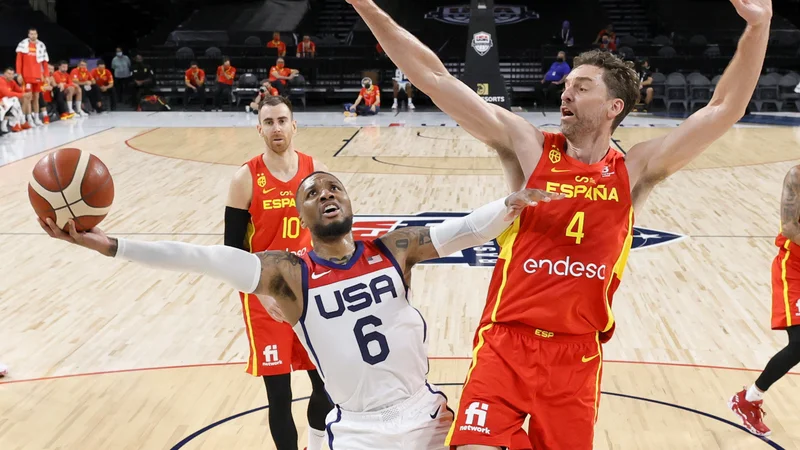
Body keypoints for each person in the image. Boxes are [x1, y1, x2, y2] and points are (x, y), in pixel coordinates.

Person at [346, 0, 772, 448]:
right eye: (566, 85)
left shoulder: (635, 169)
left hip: (576, 356)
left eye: (582, 87)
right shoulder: (529, 146)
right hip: (506, 346)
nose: (565, 93)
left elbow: (724, 108)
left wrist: (758, 26)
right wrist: (366, 6)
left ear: (614, 106)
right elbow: (434, 78)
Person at [39, 170, 564, 449]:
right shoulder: (289, 275)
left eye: (335, 188)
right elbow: (204, 258)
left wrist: (509, 205)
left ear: (350, 203)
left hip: (424, 416)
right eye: (314, 193)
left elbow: (465, 229)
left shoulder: (393, 250)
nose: (327, 194)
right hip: (359, 431)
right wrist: (111, 245)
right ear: (302, 214)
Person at [224, 95, 332, 450]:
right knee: (280, 395)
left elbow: (329, 232)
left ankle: (316, 445)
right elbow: (231, 251)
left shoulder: (315, 171)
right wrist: (260, 293)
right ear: (259, 129)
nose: (276, 128)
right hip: (264, 297)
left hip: (309, 291)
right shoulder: (245, 177)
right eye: (268, 122)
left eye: (282, 120)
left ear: (294, 125)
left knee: (326, 385)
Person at [729, 164, 800, 437]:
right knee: (799, 343)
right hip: (794, 266)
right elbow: (790, 227)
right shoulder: (797, 176)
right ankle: (749, 399)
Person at [15, 27, 48, 126]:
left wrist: (46, 75)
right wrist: (19, 74)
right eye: (31, 34)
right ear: (28, 35)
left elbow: (45, 63)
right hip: (26, 76)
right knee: (28, 97)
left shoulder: (41, 46)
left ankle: (37, 119)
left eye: (35, 34)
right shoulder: (23, 45)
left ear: (37, 35)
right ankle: (29, 119)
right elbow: (19, 61)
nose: (33, 36)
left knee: (36, 97)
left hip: (37, 76)